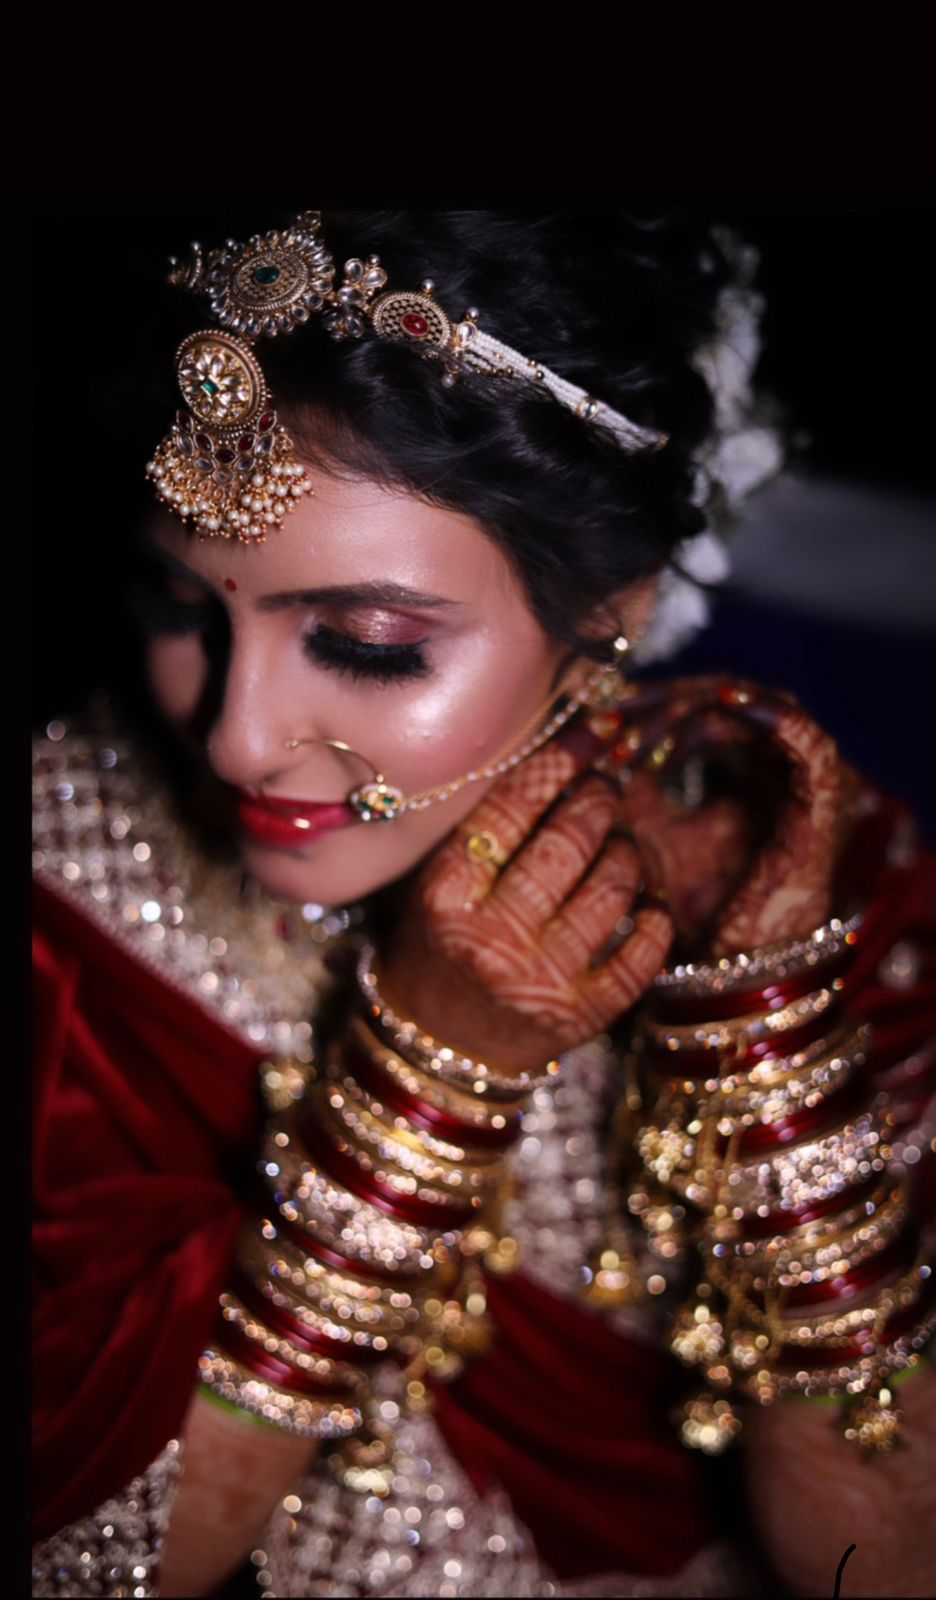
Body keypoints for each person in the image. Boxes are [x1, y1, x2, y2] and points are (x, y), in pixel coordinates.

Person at [32, 208, 936, 1599]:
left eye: (364, 642)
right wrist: (420, 1091)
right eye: (178, 605)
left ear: (612, 615)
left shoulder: (776, 858)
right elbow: (86, 1562)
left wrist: (764, 1039)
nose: (236, 737)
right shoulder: (61, 899)